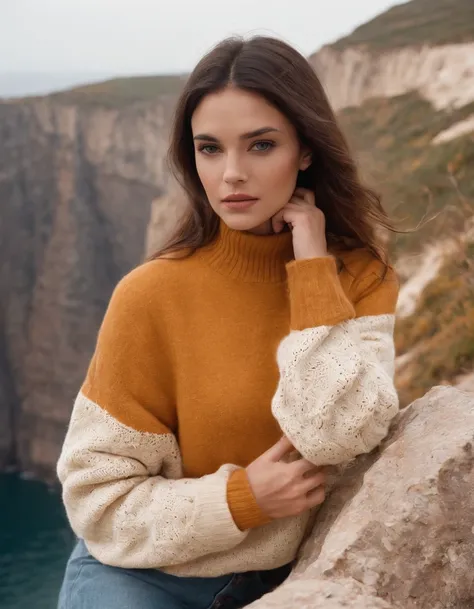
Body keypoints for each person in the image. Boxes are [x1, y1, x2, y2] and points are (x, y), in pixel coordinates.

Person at [56, 35, 400, 609]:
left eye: (261, 145)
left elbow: (336, 433)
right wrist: (241, 499)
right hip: (142, 575)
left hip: (295, 575)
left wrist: (313, 269)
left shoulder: (360, 278)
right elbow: (98, 503)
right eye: (210, 149)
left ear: (306, 150)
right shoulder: (149, 295)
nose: (232, 173)